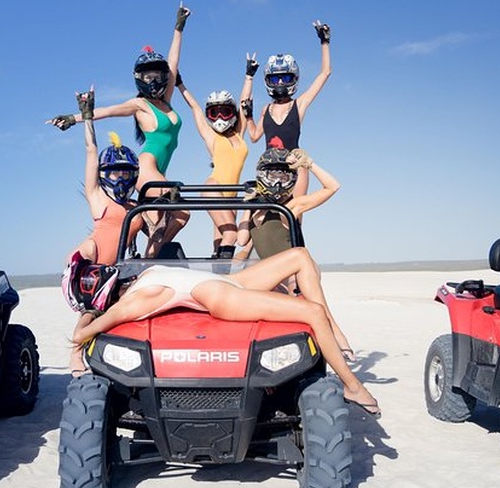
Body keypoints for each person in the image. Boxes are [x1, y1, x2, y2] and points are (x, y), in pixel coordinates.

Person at [69, 247, 379, 417]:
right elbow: (89, 330)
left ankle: (335, 329)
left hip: (232, 283)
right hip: (222, 298)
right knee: (311, 313)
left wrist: (88, 314)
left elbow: (92, 316)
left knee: (301, 255)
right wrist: (76, 352)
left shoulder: (141, 278)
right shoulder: (133, 302)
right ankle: (352, 385)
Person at [48, 4, 192, 257]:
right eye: (148, 77)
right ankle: (142, 262)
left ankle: (149, 259)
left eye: (157, 75)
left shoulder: (167, 101)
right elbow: (109, 110)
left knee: (173, 220)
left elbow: (173, 62)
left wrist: (178, 28)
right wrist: (74, 117)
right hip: (147, 168)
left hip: (160, 170)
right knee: (177, 210)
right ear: (139, 79)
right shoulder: (140, 105)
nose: (154, 80)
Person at [175, 53, 256, 257]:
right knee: (231, 235)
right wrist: (179, 84)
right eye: (214, 113)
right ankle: (221, 281)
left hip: (232, 194)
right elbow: (194, 107)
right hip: (214, 187)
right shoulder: (211, 137)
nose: (220, 117)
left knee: (219, 242)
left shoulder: (239, 133)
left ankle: (216, 277)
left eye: (225, 112)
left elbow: (244, 102)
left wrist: (249, 76)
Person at [246, 20, 331, 198]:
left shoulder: (299, 104)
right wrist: (248, 116)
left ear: (294, 78)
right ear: (268, 81)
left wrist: (324, 42)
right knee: (266, 215)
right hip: (269, 169)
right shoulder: (266, 109)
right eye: (276, 79)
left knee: (295, 214)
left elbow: (325, 73)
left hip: (295, 166)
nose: (280, 83)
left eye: (285, 78)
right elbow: (253, 136)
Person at [62, 87, 143, 268]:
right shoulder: (97, 195)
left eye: (126, 172)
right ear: (104, 174)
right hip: (91, 264)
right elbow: (91, 150)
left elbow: (156, 231)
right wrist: (87, 117)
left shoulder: (137, 207)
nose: (121, 177)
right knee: (83, 252)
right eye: (115, 172)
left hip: (117, 271)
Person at [236, 140, 340, 260]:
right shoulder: (256, 208)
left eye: (284, 178)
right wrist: (249, 206)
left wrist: (309, 164)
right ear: (263, 175)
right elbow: (241, 240)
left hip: (289, 272)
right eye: (273, 177)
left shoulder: (291, 206)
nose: (278, 183)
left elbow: (333, 186)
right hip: (270, 273)